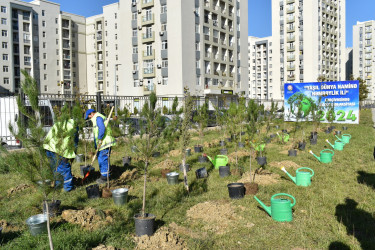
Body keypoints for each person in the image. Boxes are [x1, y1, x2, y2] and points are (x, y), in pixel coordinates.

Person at [44, 118, 78, 192]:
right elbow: (74, 143)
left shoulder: (59, 123)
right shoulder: (74, 126)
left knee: (55, 168)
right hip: (59, 150)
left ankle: (58, 186)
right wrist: (73, 154)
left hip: (48, 147)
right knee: (65, 169)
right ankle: (68, 188)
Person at [85, 108, 116, 184]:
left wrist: (99, 138)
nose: (89, 117)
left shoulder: (98, 117)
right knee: (101, 159)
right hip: (101, 143)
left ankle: (105, 178)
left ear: (92, 113)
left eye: (89, 115)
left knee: (103, 159)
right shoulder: (96, 118)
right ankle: (104, 174)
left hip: (104, 142)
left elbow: (102, 128)